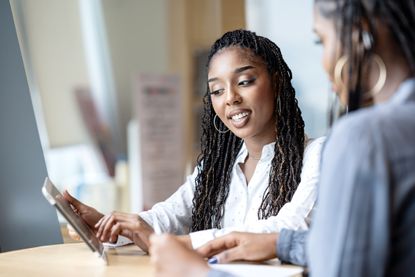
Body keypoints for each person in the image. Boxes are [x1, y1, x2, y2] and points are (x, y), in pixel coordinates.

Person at [149, 0, 415, 276]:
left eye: (321, 41)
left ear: (362, 37)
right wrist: (281, 243)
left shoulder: (364, 139)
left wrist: (195, 271)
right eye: (216, 90)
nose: (230, 98)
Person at [65, 30, 325, 251]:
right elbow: (165, 217)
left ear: (277, 83)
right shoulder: (215, 169)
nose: (230, 98)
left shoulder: (319, 156)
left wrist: (172, 243)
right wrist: (109, 225)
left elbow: (288, 228)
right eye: (217, 90)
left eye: (244, 82)